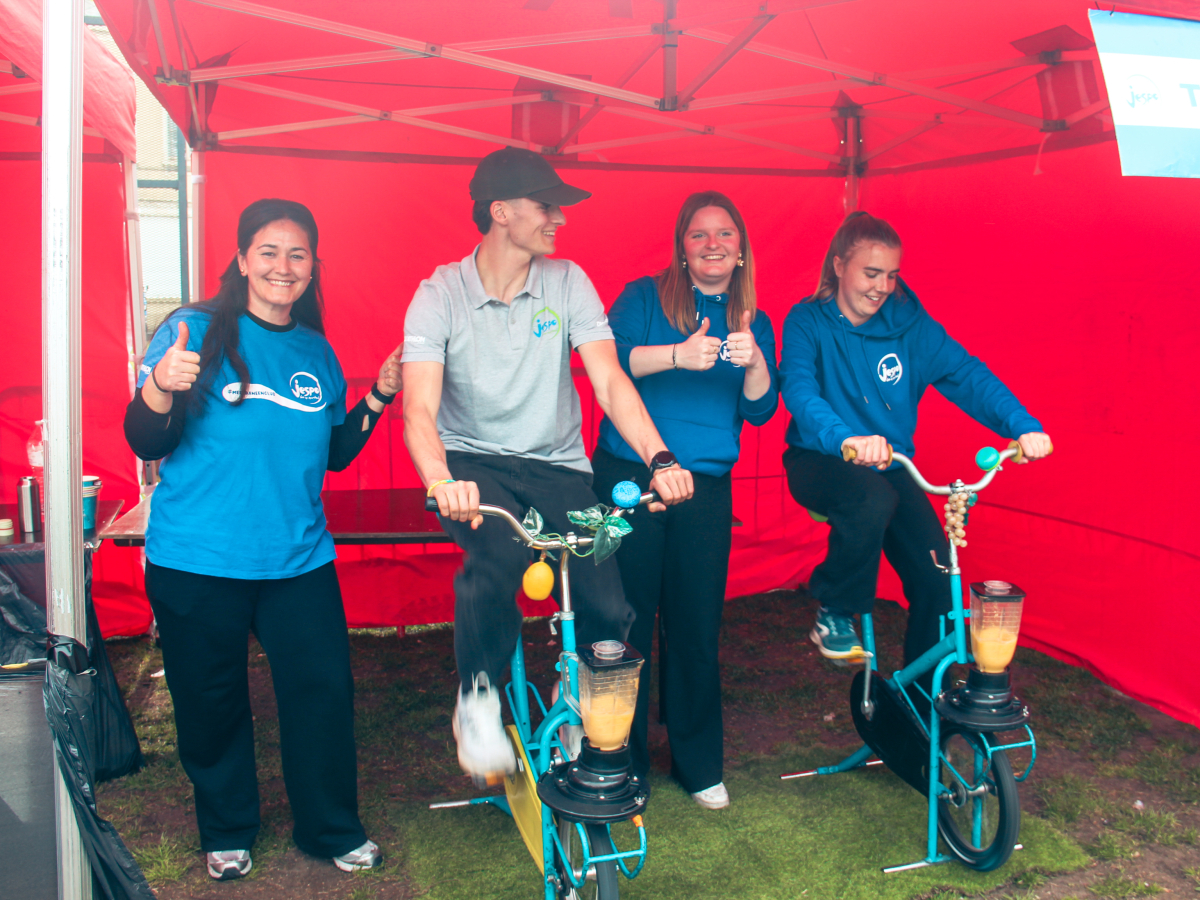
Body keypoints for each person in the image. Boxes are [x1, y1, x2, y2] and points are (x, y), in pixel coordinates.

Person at [123, 199, 398, 881]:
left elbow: (333, 454)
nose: (283, 266)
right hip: (197, 559)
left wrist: (379, 396)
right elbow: (146, 439)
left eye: (298, 254)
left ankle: (330, 828)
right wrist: (160, 386)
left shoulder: (315, 350)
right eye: (269, 252)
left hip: (296, 561)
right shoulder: (193, 332)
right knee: (211, 701)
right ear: (243, 260)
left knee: (322, 694)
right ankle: (226, 829)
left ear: (313, 267)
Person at [401, 147, 694, 787]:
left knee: (607, 600)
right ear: (500, 211)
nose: (559, 218)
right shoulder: (439, 294)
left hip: (558, 467)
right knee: (498, 557)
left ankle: (574, 698)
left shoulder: (567, 282)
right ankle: (478, 699)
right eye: (546, 206)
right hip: (472, 462)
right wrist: (440, 481)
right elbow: (418, 408)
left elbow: (610, 382)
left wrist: (660, 457)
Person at [779, 211, 1052, 672]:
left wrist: (1021, 425)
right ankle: (835, 610)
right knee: (872, 498)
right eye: (871, 273)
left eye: (891, 275)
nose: (882, 287)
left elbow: (966, 374)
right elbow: (800, 391)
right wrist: (845, 438)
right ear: (839, 265)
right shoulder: (807, 320)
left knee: (938, 582)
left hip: (889, 465)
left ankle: (924, 700)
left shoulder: (910, 325)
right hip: (819, 456)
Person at [590, 191, 779, 811]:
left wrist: (755, 363)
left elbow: (760, 411)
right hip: (632, 477)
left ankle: (698, 765)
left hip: (705, 487)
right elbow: (605, 364)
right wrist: (677, 355)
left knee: (696, 625)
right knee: (626, 621)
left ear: (741, 248)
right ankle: (619, 760)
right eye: (699, 234)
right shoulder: (644, 297)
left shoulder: (752, 318)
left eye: (725, 234)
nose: (712, 244)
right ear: (682, 246)